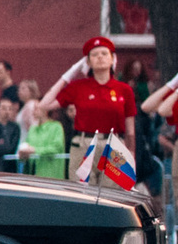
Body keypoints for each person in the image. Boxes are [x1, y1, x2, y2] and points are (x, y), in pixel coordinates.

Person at [35, 37, 139, 175]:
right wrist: (69, 74)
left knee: (112, 193)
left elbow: (130, 128)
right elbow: (44, 105)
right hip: (84, 145)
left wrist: (131, 154)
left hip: (114, 145)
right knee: (82, 193)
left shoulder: (124, 90)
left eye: (104, 53)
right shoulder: (79, 87)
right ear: (88, 62)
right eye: (94, 55)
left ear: (113, 59)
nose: (100, 57)